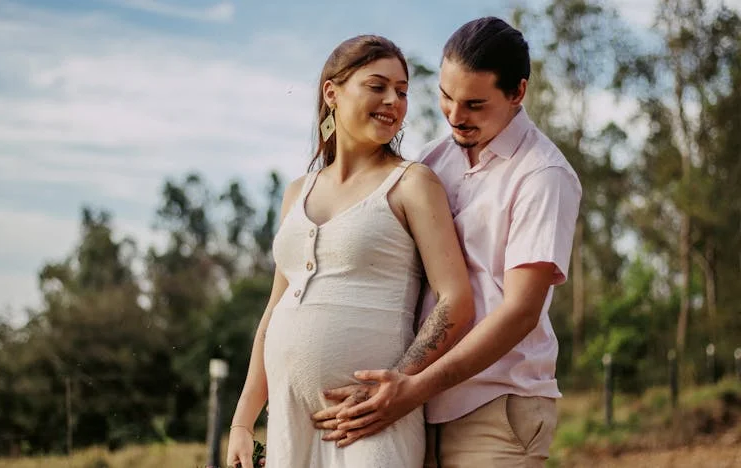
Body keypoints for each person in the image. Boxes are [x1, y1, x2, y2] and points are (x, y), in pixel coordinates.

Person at [312, 17, 582, 467]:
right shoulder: (435, 160)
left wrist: (412, 385)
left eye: (475, 104)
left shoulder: (542, 176)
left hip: (496, 408)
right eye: (445, 96)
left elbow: (519, 313)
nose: (456, 116)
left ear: (518, 92)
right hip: (424, 410)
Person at [226, 34, 475, 468]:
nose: (393, 101)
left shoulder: (412, 184)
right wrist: (243, 421)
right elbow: (275, 310)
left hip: (371, 422)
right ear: (332, 93)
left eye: (402, 91)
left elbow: (456, 299)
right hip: (289, 421)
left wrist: (399, 382)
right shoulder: (296, 193)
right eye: (377, 86)